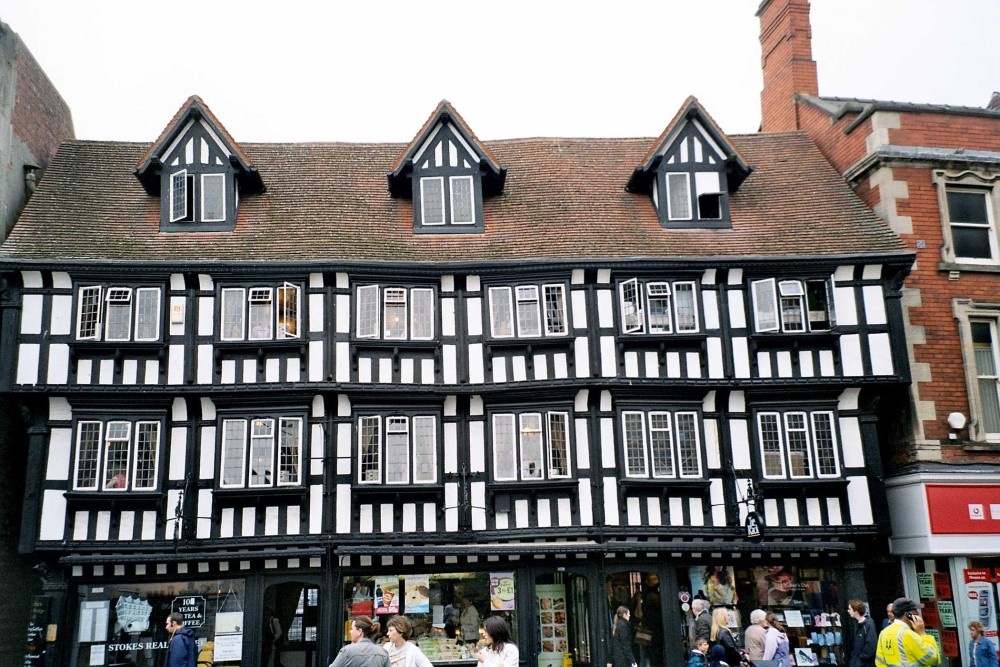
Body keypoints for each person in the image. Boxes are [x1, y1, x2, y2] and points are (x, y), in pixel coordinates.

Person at [875, 598, 939, 667]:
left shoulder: (884, 633)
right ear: (908, 615)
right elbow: (932, 658)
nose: (917, 613)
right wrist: (922, 633)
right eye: (915, 611)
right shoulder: (907, 634)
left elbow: (879, 662)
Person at [847, 600, 877, 667]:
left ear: (856, 611)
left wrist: (861, 658)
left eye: (850, 609)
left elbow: (871, 645)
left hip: (864, 663)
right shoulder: (857, 624)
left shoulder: (868, 625)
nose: (848, 611)